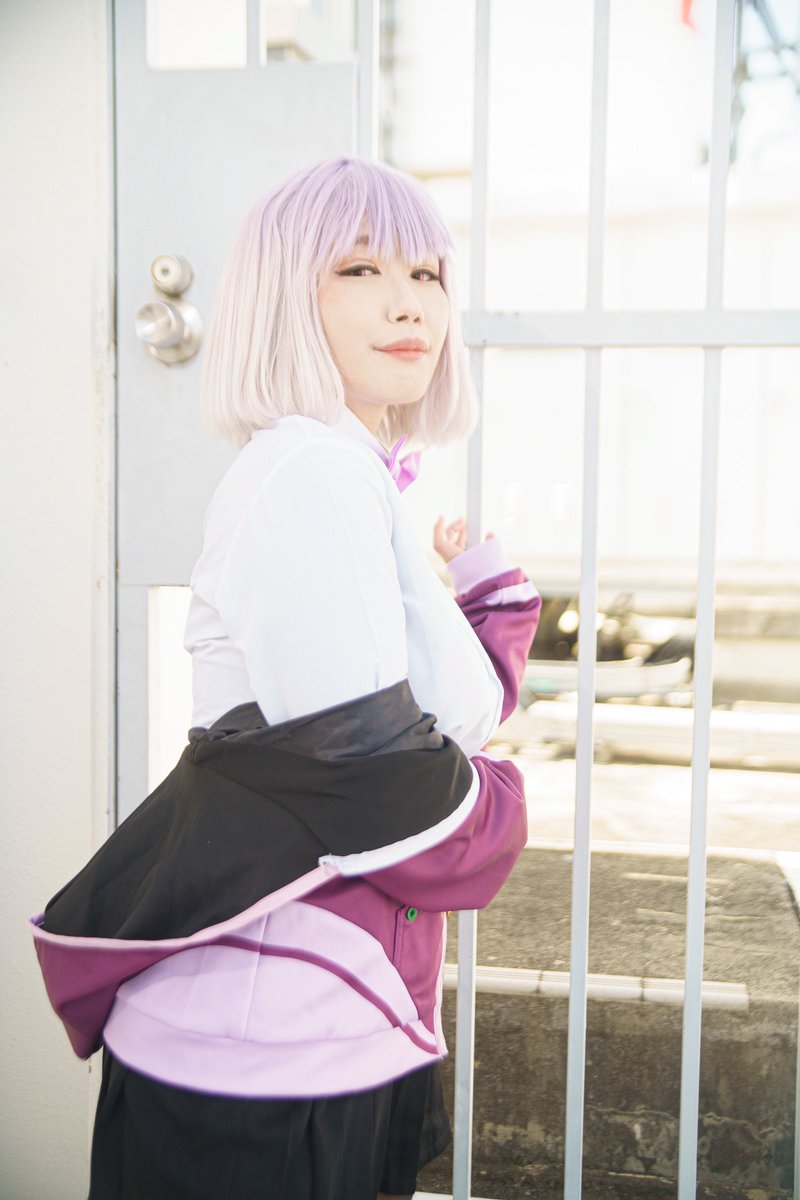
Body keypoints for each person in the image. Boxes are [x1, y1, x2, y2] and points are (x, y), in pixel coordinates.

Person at [31, 156, 541, 1200]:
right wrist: (504, 808)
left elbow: (442, 717)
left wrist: (485, 595)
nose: (408, 302)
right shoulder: (306, 472)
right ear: (283, 295)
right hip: (257, 1056)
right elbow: (375, 779)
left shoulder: (349, 474)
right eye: (359, 269)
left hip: (328, 1025)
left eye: (426, 273)